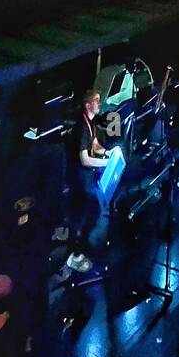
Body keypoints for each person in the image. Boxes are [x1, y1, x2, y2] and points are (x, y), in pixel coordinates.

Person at [67, 89, 107, 272]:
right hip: (79, 176)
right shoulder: (82, 126)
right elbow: (84, 159)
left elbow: (95, 144)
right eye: (97, 101)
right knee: (91, 210)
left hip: (85, 174)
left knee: (82, 212)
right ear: (88, 105)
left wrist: (107, 153)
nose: (100, 103)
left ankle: (76, 242)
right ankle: (75, 253)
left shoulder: (90, 123)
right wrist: (105, 162)